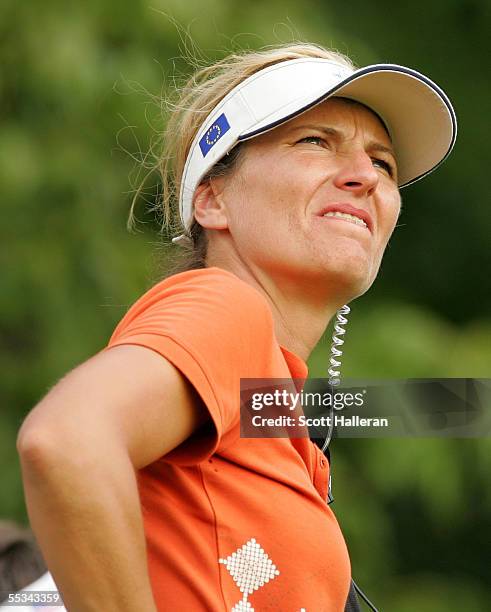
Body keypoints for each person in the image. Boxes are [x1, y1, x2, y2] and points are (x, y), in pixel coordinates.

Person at [16, 43, 456, 611]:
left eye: (383, 164)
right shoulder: (226, 308)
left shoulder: (278, 424)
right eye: (316, 142)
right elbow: (67, 441)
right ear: (212, 198)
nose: (364, 177)